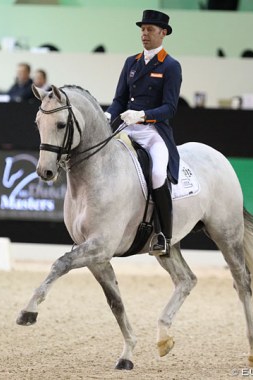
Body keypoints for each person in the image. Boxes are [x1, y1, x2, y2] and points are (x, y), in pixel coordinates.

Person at [105, 9, 182, 256]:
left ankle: (163, 235)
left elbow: (170, 108)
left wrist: (142, 115)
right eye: (142, 29)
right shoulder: (131, 62)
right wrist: (108, 115)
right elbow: (119, 99)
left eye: (149, 30)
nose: (144, 34)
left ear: (163, 33)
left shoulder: (170, 66)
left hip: (152, 132)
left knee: (158, 174)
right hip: (127, 127)